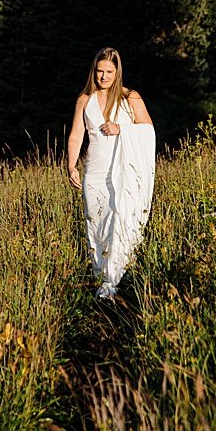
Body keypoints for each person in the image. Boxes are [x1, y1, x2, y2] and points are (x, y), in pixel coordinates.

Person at [65, 47, 155, 299]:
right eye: (99, 71)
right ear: (93, 70)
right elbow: (76, 135)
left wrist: (121, 129)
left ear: (117, 73)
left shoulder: (130, 98)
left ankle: (113, 282)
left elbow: (148, 130)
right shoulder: (84, 100)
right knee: (96, 224)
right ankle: (102, 276)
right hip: (94, 171)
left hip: (123, 171)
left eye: (109, 72)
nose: (104, 77)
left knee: (120, 220)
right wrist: (71, 165)